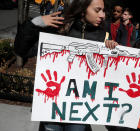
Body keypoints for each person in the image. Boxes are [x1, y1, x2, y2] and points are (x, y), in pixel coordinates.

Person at [14, 0, 117, 130]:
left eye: (103, 11)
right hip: (52, 107)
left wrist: (114, 51)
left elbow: (109, 74)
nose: (103, 15)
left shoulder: (103, 36)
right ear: (82, 10)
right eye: (97, 10)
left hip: (80, 111)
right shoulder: (58, 28)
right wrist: (34, 24)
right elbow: (21, 50)